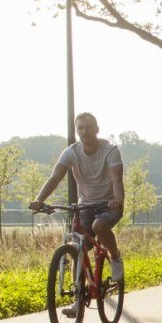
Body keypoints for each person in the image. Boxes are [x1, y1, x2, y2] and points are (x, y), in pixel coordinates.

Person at [28, 112, 125, 283]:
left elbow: (117, 179)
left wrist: (117, 200)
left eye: (88, 127)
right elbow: (55, 177)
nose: (84, 131)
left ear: (96, 129)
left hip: (108, 205)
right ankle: (77, 295)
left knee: (99, 225)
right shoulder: (71, 152)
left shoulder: (110, 151)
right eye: (80, 128)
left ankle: (115, 258)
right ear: (76, 131)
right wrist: (39, 199)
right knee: (78, 249)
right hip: (85, 206)